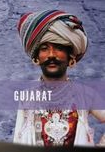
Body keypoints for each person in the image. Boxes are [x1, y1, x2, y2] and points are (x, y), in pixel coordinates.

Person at [13, 10, 105, 147]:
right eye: (44, 48)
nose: (51, 55)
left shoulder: (85, 95)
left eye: (58, 48)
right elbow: (19, 138)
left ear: (71, 59)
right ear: (36, 58)